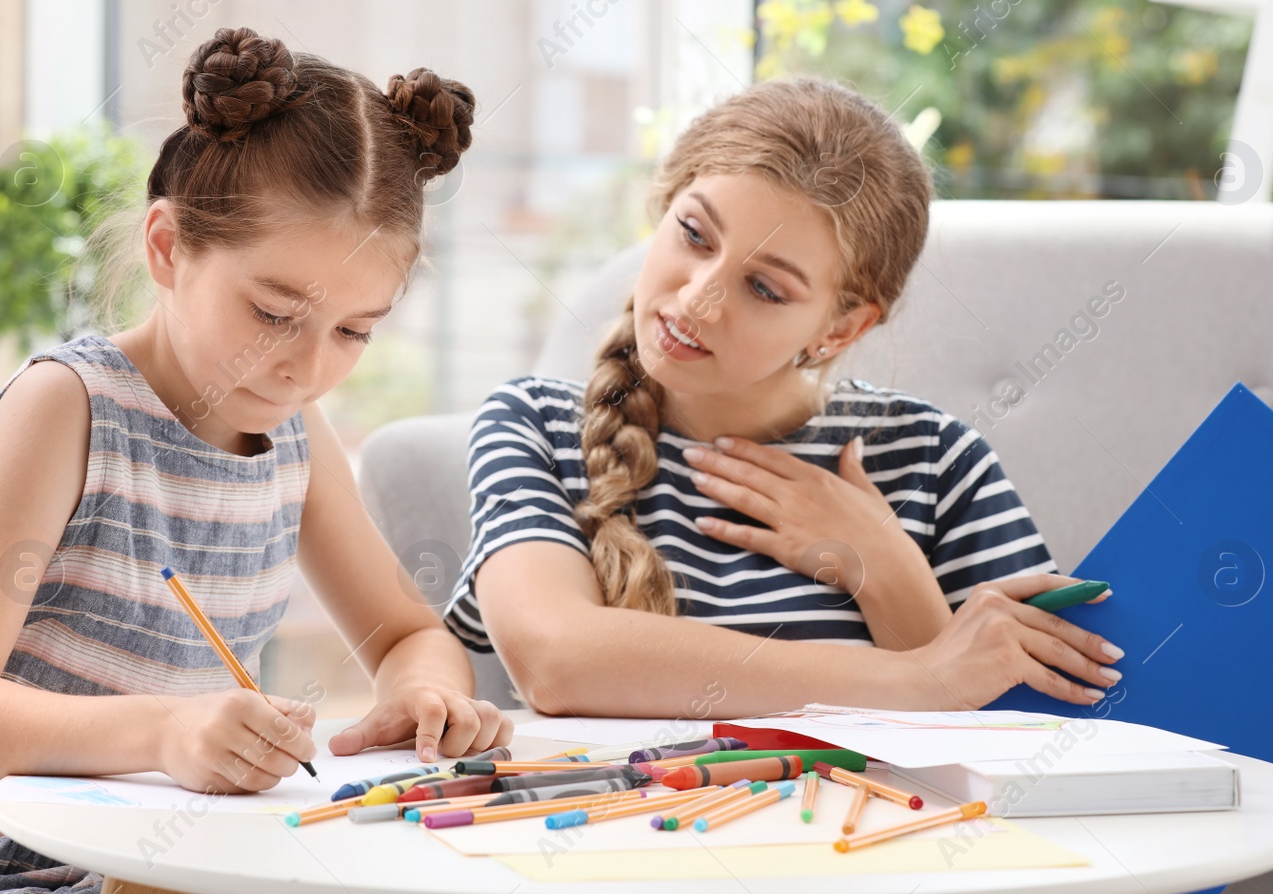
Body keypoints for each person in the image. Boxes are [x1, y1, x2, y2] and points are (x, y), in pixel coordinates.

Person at [0, 28, 510, 894]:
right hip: (1, 851)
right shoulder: (69, 406)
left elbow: (403, 633)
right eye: (273, 313)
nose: (306, 370)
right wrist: (165, 727)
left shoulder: (295, 434)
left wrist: (427, 697)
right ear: (166, 247)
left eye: (354, 330)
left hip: (169, 852)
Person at [445, 76, 1123, 718]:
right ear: (667, 201)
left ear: (841, 327)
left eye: (765, 288)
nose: (697, 299)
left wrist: (885, 568)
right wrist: (923, 677)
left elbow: (1025, 728)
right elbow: (558, 660)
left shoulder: (938, 464)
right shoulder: (534, 424)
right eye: (694, 234)